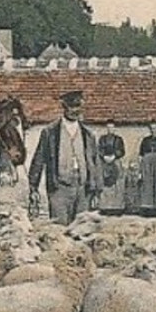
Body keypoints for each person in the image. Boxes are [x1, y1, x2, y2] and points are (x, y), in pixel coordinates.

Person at [28, 89, 103, 225]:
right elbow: (38, 160)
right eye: (72, 107)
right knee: (59, 229)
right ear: (64, 108)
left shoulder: (88, 134)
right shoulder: (50, 133)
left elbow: (95, 162)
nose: (75, 111)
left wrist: (97, 191)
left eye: (78, 107)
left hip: (83, 189)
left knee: (81, 229)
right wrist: (33, 188)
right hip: (59, 188)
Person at [95, 121, 128, 215]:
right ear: (107, 128)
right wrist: (104, 157)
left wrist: (114, 156)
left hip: (116, 161)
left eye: (112, 128)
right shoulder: (102, 139)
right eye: (109, 128)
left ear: (114, 129)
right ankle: (105, 207)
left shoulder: (119, 139)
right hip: (104, 162)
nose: (110, 130)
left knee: (117, 184)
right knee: (104, 183)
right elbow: (99, 150)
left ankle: (117, 207)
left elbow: (122, 151)